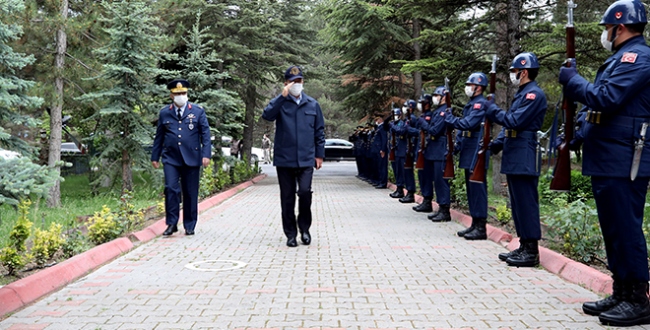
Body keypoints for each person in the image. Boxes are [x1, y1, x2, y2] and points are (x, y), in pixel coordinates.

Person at [558, 0, 650, 326]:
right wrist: (578, 135)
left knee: (626, 228)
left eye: (607, 28)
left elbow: (605, 97)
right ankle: (622, 291)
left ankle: (638, 299)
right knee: (613, 228)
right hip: (608, 157)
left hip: (626, 158)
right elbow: (599, 108)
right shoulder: (617, 60)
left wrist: (572, 80)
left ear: (619, 27)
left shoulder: (637, 58)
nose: (605, 34)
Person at [485, 52, 547, 266]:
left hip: (525, 153)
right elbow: (509, 127)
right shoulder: (522, 94)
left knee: (526, 203)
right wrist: (496, 144)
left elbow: (514, 121)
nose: (512, 75)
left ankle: (531, 251)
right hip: (515, 151)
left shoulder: (533, 95)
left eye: (514, 71)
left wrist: (492, 110)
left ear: (524, 71)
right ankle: (523, 245)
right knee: (518, 204)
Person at [262, 65, 325, 248]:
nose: (296, 85)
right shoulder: (281, 103)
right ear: (286, 84)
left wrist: (319, 155)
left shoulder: (312, 104)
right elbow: (267, 115)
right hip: (285, 158)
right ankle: (290, 234)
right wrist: (281, 97)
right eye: (292, 82)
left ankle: (304, 229)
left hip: (306, 158)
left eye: (299, 81)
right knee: (287, 198)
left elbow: (319, 132)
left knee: (305, 193)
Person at [151, 79, 211, 236]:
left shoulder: (197, 111)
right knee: (171, 189)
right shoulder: (165, 113)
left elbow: (205, 134)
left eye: (183, 93)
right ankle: (171, 223)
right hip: (171, 158)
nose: (181, 96)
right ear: (171, 95)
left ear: (187, 93)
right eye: (177, 94)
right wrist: (155, 156)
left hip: (192, 157)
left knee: (190, 192)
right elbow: (159, 136)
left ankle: (189, 224)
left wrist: (206, 154)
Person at [444, 73, 489, 240]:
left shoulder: (480, 104)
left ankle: (481, 227)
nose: (467, 87)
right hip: (469, 150)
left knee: (478, 190)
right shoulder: (471, 104)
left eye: (470, 85)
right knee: (471, 190)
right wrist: (457, 146)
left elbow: (468, 124)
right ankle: (474, 224)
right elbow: (465, 129)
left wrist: (450, 119)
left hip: (477, 150)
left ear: (479, 87)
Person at [423, 87, 451, 222]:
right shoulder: (438, 111)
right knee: (436, 181)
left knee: (441, 181)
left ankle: (445, 210)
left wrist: (423, 124)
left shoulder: (444, 112)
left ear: (444, 97)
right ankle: (440, 207)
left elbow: (435, 130)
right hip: (433, 150)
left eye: (437, 95)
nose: (434, 97)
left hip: (440, 150)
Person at [411, 93, 435, 213]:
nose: (420, 105)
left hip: (428, 149)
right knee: (422, 175)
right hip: (421, 149)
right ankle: (425, 199)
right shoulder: (422, 116)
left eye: (422, 103)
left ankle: (428, 200)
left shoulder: (430, 116)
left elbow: (431, 131)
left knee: (426, 176)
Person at [399, 100, 418, 203]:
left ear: (410, 108)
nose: (404, 108)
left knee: (408, 171)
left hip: (410, 147)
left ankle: (411, 193)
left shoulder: (413, 119)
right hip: (407, 146)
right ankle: (409, 192)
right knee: (406, 171)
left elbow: (416, 133)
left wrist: (407, 129)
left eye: (406, 107)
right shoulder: (407, 119)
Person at [389, 107, 406, 198]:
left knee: (400, 171)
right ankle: (398, 188)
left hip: (401, 151)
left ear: (400, 115)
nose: (394, 117)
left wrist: (392, 125)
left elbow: (400, 131)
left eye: (396, 115)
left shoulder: (401, 124)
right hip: (394, 150)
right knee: (396, 170)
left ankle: (400, 190)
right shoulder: (393, 124)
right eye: (393, 115)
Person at [370, 115, 389, 188]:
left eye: (377, 120)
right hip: (377, 150)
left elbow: (384, 139)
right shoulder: (378, 128)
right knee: (379, 167)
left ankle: (383, 183)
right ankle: (380, 181)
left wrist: (383, 149)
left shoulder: (382, 127)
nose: (376, 121)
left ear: (381, 120)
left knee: (382, 167)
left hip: (381, 150)